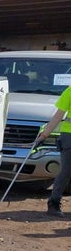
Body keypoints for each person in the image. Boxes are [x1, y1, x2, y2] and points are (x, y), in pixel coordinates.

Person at [36, 83, 71, 216]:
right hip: (69, 136)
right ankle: (54, 203)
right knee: (66, 171)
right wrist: (44, 134)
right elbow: (58, 116)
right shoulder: (70, 91)